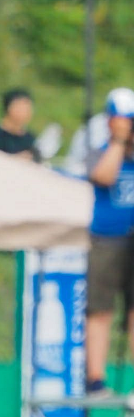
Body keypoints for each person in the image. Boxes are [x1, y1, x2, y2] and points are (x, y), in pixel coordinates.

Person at [83, 88, 134, 392]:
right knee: (100, 309)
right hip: (106, 239)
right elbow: (104, 176)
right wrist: (118, 141)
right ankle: (96, 379)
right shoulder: (99, 149)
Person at [0, 88, 39, 160]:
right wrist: (16, 159)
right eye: (21, 108)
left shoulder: (30, 138)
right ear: (9, 108)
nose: (26, 112)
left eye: (28, 108)